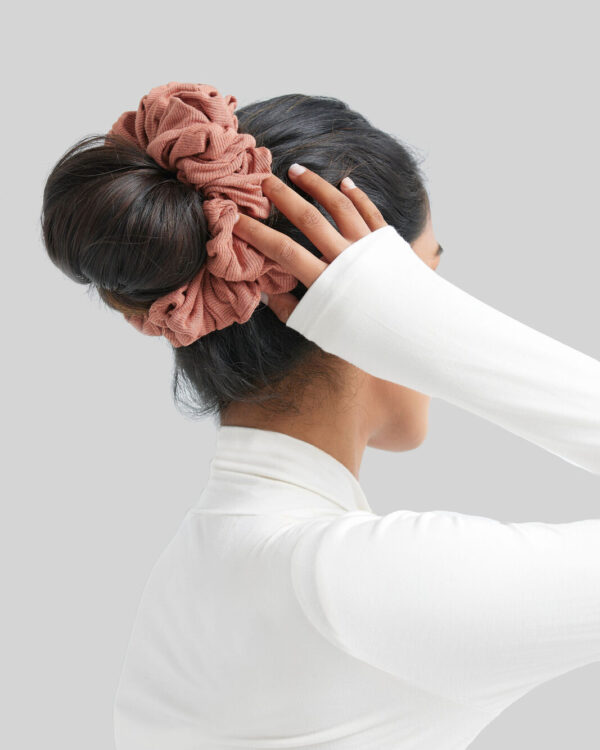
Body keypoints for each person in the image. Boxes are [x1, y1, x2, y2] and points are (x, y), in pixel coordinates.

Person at [41, 83, 600, 750]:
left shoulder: (191, 577)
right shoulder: (353, 583)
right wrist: (443, 337)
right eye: (424, 284)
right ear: (384, 312)